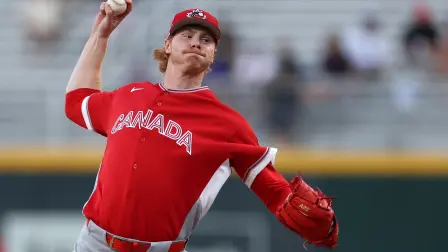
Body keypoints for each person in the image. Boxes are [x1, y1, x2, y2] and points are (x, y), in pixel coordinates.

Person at [65, 1, 339, 251]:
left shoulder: (226, 123)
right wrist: (100, 35)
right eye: (187, 36)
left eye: (205, 39)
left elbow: (274, 190)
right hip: (94, 244)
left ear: (212, 55)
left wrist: (306, 215)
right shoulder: (128, 95)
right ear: (168, 45)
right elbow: (76, 101)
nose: (196, 43)